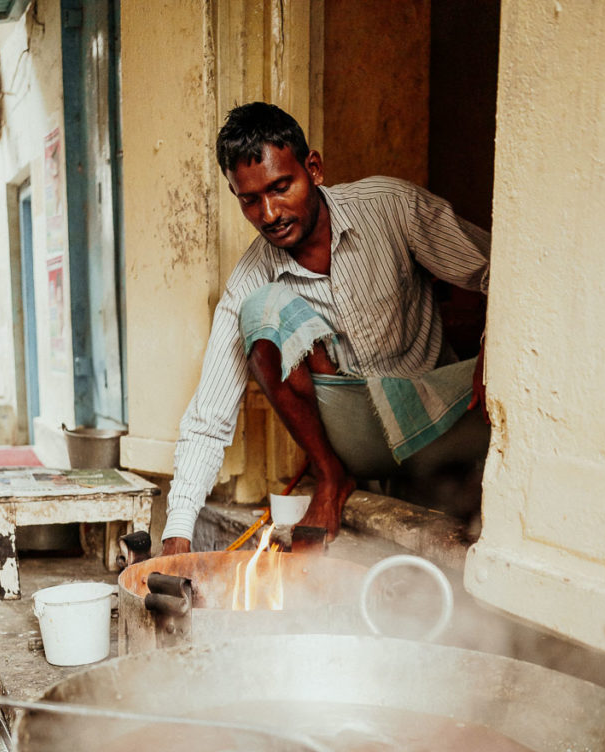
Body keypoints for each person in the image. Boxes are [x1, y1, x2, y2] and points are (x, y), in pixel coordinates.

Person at [162, 102, 490, 555]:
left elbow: (498, 269)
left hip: (438, 413)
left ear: (313, 168)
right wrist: (177, 532)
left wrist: (496, 352)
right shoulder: (249, 280)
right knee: (262, 309)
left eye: (281, 187)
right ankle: (332, 477)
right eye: (250, 200)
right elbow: (208, 420)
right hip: (353, 438)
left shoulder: (392, 207)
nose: (270, 212)